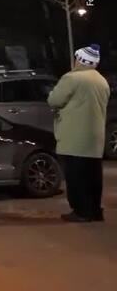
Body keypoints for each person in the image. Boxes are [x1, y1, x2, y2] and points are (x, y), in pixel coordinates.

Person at [47, 44, 110, 222]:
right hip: (95, 138)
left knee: (76, 178)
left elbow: (54, 100)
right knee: (93, 177)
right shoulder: (101, 81)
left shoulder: (72, 78)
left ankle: (81, 212)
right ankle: (95, 210)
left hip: (75, 138)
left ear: (80, 60)